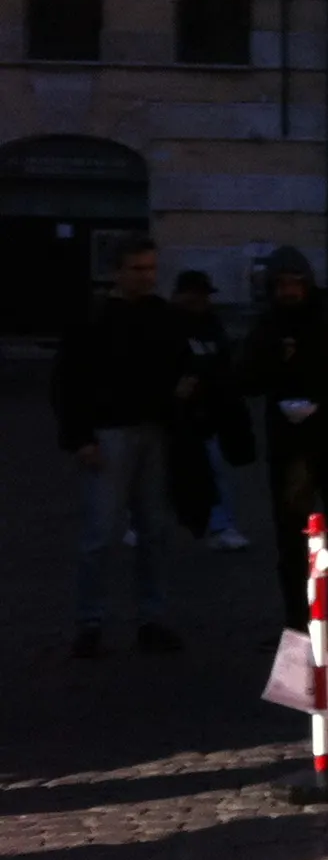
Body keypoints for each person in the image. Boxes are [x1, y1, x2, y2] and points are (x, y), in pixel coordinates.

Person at [52, 235, 191, 657]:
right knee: (100, 533)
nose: (147, 276)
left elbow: (179, 363)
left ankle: (151, 618)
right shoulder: (93, 319)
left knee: (153, 531)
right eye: (138, 269)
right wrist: (80, 437)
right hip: (109, 433)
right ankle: (90, 622)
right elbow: (67, 383)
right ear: (117, 272)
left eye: (150, 268)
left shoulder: (161, 315)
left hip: (152, 430)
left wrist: (183, 392)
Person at [238, 245, 328, 631]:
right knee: (291, 538)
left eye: (294, 283)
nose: (288, 291)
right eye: (281, 284)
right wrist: (274, 360)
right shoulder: (268, 326)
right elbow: (248, 378)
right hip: (291, 446)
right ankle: (299, 621)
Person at [168, 268, 253, 552]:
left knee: (213, 470)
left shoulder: (210, 324)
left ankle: (222, 525)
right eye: (196, 296)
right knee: (161, 472)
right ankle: (140, 523)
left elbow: (222, 361)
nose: (202, 302)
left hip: (206, 413)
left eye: (204, 296)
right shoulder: (168, 324)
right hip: (174, 413)